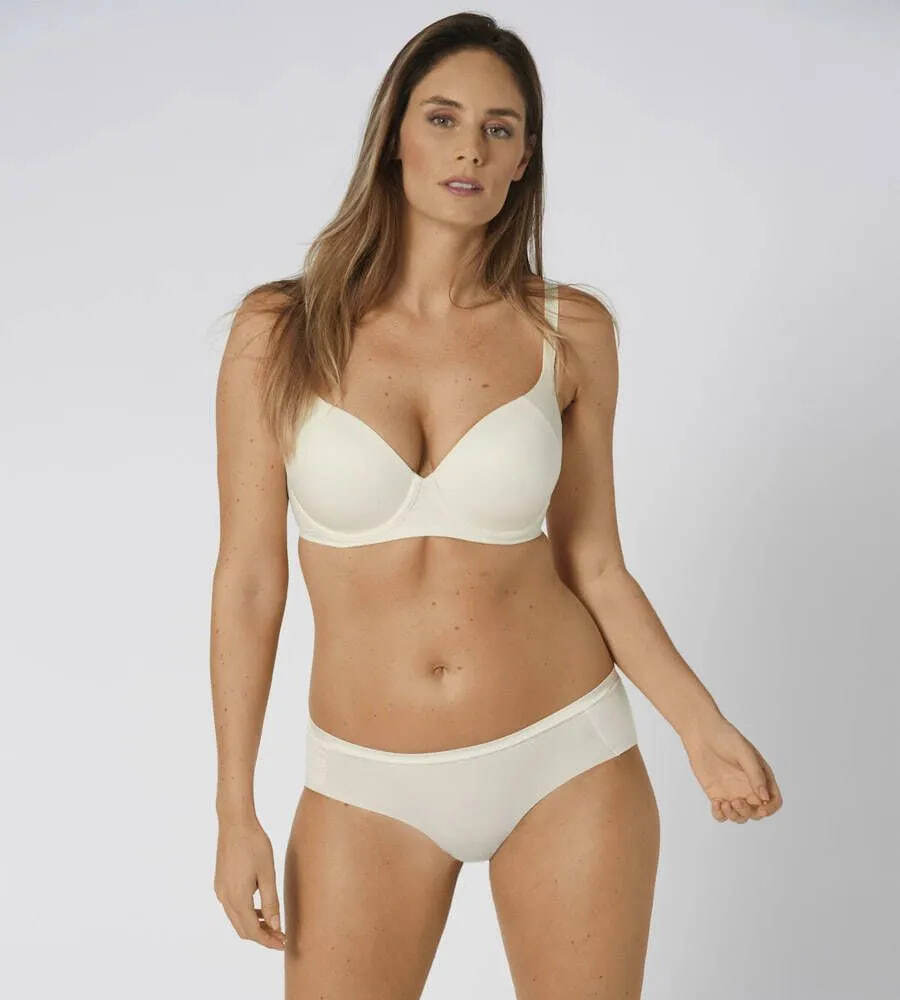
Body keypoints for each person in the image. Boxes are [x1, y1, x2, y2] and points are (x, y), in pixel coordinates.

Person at [210, 12, 783, 998]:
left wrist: (700, 725)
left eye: (500, 128)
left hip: (565, 754)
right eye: (443, 118)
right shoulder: (279, 332)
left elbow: (593, 562)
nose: (470, 148)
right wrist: (234, 808)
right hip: (366, 780)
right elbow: (250, 582)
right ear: (395, 135)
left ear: (525, 159)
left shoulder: (569, 330)